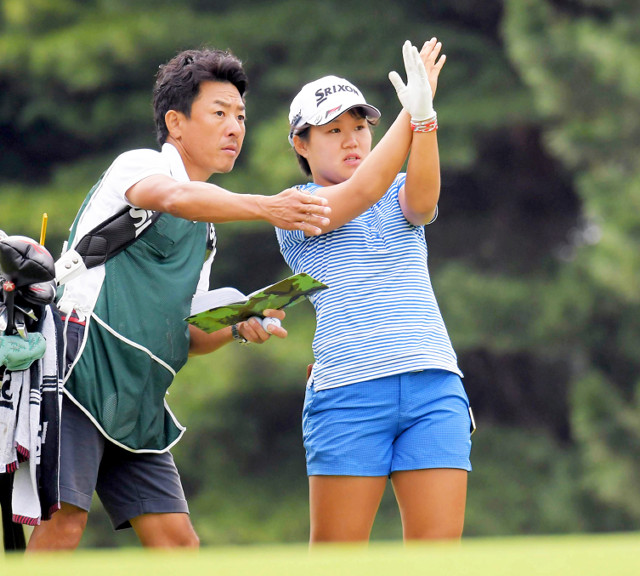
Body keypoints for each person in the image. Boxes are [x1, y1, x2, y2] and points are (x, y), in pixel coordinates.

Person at [26, 47, 333, 551]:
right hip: (80, 367)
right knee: (65, 524)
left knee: (178, 544)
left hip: (139, 394)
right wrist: (267, 207)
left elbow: (186, 334)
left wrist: (237, 323)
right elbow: (171, 197)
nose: (235, 128)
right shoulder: (140, 165)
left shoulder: (208, 230)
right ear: (176, 122)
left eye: (241, 116)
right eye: (219, 113)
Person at [276, 38, 474, 543]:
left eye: (360, 127)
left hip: (433, 382)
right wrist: (413, 111)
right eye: (333, 130)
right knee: (340, 559)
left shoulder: (398, 184)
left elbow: (424, 202)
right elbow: (361, 192)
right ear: (301, 143)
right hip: (349, 391)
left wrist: (425, 120)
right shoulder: (295, 207)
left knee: (437, 557)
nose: (352, 140)